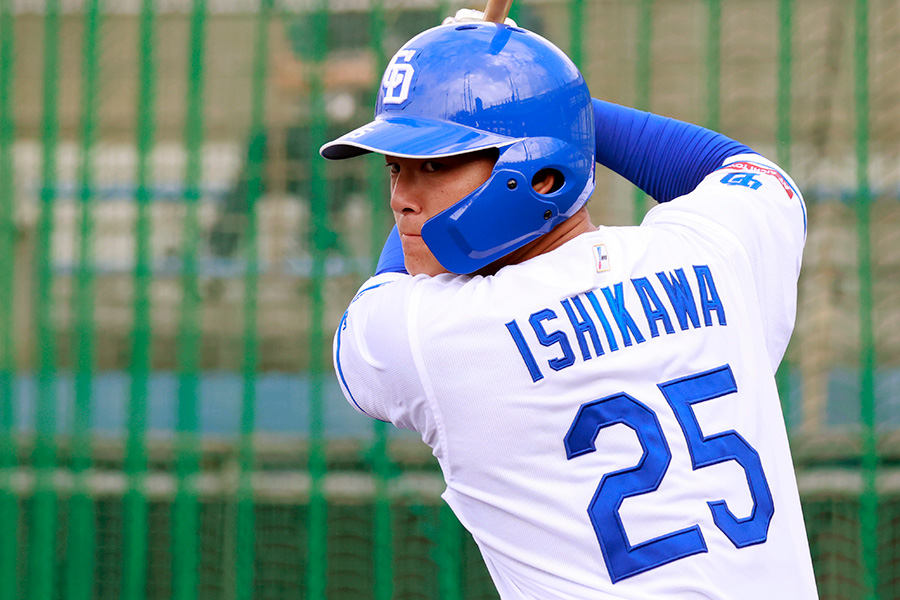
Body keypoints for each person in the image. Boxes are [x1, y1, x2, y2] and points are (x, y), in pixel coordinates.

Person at [320, 13, 818, 600]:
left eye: (434, 165)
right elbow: (747, 171)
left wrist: (523, 98)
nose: (401, 200)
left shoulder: (436, 334)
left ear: (541, 173)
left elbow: (388, 293)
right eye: (395, 168)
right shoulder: (712, 251)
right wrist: (548, 105)